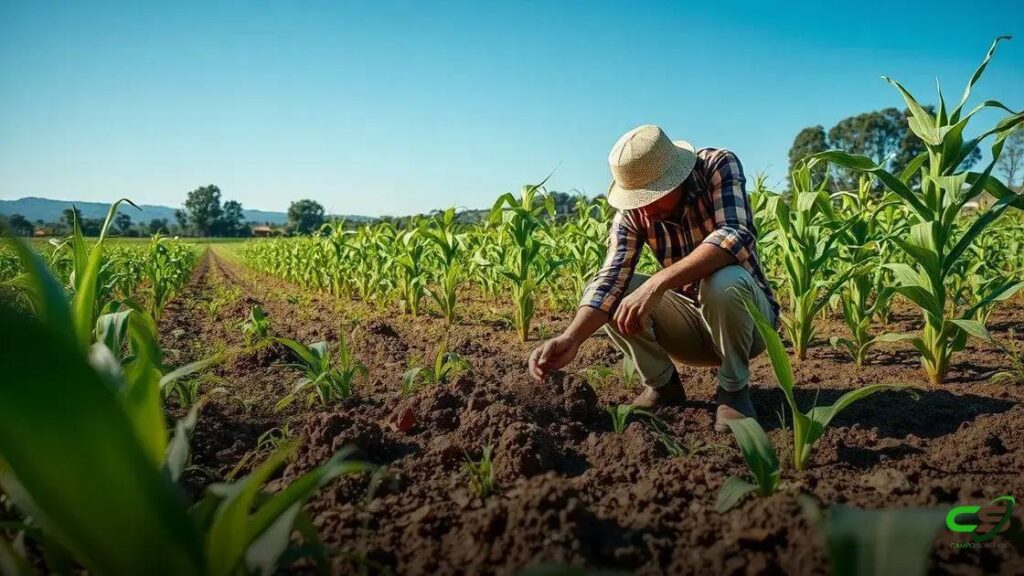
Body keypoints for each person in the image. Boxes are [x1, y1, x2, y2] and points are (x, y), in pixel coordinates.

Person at [527, 124, 778, 431]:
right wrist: (572, 337)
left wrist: (658, 283)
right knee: (614, 293)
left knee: (722, 280)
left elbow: (734, 236)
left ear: (677, 179)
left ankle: (734, 389)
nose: (643, 210)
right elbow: (610, 279)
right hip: (692, 325)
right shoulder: (633, 213)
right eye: (636, 201)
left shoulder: (716, 165)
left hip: (748, 324)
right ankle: (663, 386)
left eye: (652, 197)